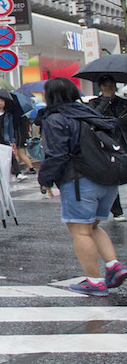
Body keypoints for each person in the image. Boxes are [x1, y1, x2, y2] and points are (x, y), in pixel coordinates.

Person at [37, 77, 127, 295]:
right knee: (93, 226)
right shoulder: (91, 113)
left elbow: (56, 154)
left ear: (50, 95)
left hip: (79, 180)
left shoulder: (56, 119)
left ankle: (94, 282)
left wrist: (45, 180)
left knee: (80, 231)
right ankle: (113, 265)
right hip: (106, 179)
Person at [89, 78, 127, 221]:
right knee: (112, 175)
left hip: (122, 140)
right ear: (100, 87)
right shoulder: (94, 102)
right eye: (106, 85)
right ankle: (117, 211)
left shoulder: (122, 103)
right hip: (104, 143)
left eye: (111, 85)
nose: (109, 88)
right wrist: (105, 100)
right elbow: (92, 118)